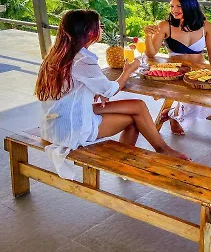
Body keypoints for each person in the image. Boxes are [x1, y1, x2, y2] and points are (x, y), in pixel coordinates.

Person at [35, 9, 190, 180]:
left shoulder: (57, 54)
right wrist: (128, 71)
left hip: (55, 121)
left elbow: (80, 85)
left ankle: (160, 150)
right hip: (71, 128)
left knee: (138, 106)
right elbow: (109, 90)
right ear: (89, 32)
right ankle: (139, 159)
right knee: (134, 120)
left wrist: (97, 90)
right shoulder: (83, 59)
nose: (101, 29)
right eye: (99, 26)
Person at [144, 0, 211, 135]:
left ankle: (172, 113)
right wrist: (148, 36)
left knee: (205, 103)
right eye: (171, 6)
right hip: (176, 74)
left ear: (190, 6)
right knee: (191, 100)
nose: (174, 10)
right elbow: (151, 54)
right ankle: (175, 115)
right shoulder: (165, 26)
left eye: (179, 6)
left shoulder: (206, 26)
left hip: (198, 73)